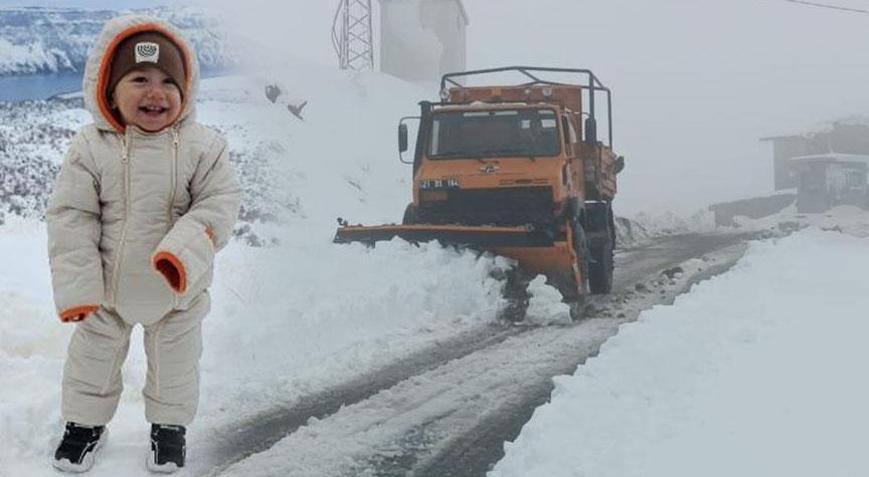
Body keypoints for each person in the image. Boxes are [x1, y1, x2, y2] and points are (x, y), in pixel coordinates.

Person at [46, 14, 241, 473]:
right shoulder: (91, 148)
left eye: (169, 81)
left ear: (186, 91)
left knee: (176, 365)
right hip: (107, 293)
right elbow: (72, 217)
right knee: (91, 361)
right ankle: (85, 424)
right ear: (109, 90)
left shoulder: (204, 147)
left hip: (177, 290)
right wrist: (78, 288)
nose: (156, 92)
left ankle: (169, 428)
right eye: (139, 79)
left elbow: (219, 204)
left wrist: (182, 253)